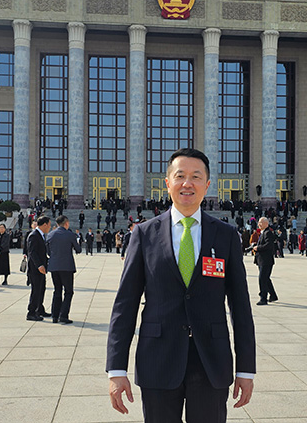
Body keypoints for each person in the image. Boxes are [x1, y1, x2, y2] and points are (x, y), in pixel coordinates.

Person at [107, 148, 255, 422]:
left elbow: (241, 306)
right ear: (167, 183)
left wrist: (246, 370)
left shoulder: (226, 236)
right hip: (157, 360)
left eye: (196, 177)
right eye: (180, 176)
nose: (187, 183)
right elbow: (125, 304)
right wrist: (116, 370)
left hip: (211, 362)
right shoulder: (144, 234)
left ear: (207, 185)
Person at [46, 215, 81, 324]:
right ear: (66, 223)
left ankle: (55, 315)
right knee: (68, 291)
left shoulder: (50, 234)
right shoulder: (70, 235)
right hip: (66, 267)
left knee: (57, 290)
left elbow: (48, 250)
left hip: (54, 266)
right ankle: (63, 315)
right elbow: (78, 249)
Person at [25, 216, 52, 321]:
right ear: (44, 225)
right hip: (35, 269)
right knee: (36, 290)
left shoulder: (41, 235)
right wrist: (39, 265)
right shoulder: (34, 235)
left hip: (41, 268)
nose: (49, 227)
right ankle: (31, 312)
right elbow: (32, 252)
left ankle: (39, 309)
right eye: (49, 225)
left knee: (41, 289)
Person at [253, 217, 278, 305]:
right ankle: (273, 295)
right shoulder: (263, 232)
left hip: (266, 260)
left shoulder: (268, 233)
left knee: (262, 279)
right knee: (266, 278)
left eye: (260, 223)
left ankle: (263, 298)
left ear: (266, 224)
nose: (258, 224)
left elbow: (268, 245)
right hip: (262, 260)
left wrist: (258, 248)